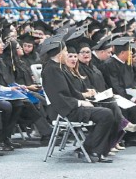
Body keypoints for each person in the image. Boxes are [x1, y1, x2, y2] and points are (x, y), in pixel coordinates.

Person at [40, 35, 116, 163]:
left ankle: (92, 149)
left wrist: (84, 97)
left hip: (72, 105)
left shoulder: (58, 67)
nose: (67, 54)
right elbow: (59, 97)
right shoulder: (51, 70)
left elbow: (71, 91)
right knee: (105, 114)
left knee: (108, 108)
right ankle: (90, 149)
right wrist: (80, 102)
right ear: (59, 55)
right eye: (65, 52)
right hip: (68, 110)